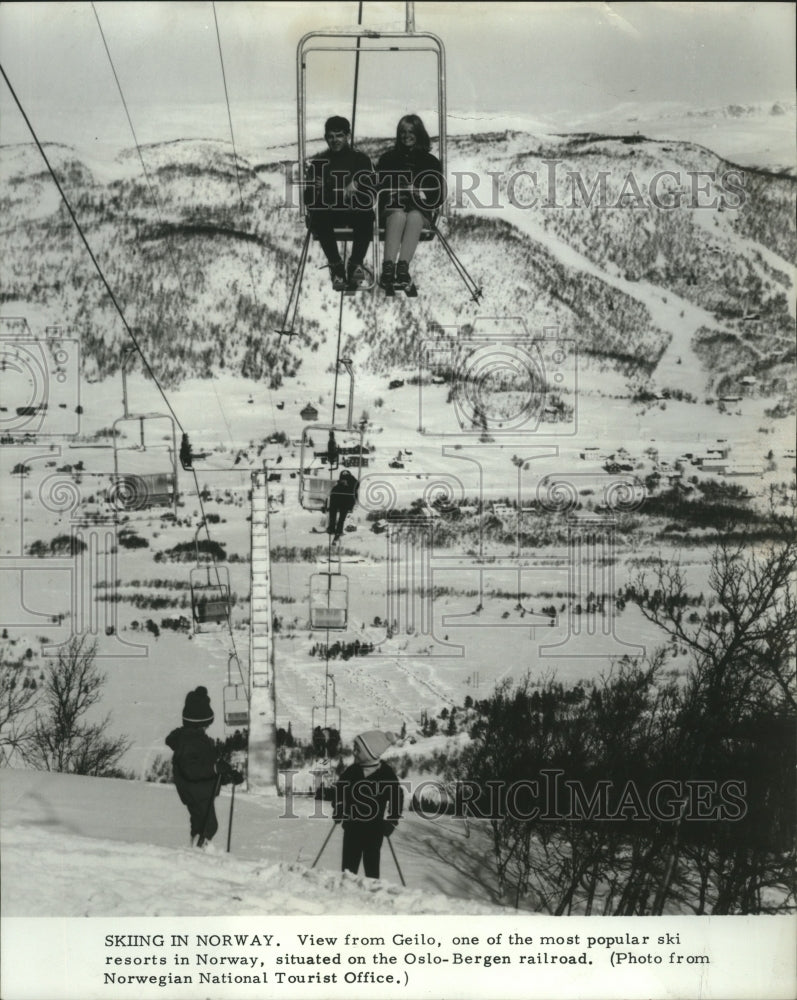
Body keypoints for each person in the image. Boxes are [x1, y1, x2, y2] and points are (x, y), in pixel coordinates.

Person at [165, 686, 243, 849]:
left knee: (202, 826)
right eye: (205, 725)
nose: (207, 728)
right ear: (198, 724)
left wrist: (228, 776)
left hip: (201, 791)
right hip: (195, 791)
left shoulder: (198, 740)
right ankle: (199, 853)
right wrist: (215, 769)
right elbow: (192, 770)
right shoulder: (189, 742)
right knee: (208, 826)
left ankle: (197, 851)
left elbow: (207, 769)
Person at [305, 115, 375, 290]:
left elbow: (369, 190)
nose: (335, 140)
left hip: (354, 210)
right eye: (331, 136)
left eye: (339, 135)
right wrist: (316, 188)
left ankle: (355, 264)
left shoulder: (360, 160)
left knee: (366, 214)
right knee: (319, 213)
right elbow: (309, 199)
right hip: (330, 212)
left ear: (348, 136)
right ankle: (336, 265)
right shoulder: (319, 163)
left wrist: (355, 183)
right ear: (326, 138)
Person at [376, 114, 444, 290]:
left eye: (411, 132)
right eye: (403, 132)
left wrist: (418, 190)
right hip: (393, 209)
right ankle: (388, 267)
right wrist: (393, 190)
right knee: (398, 215)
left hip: (419, 210)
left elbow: (437, 195)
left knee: (413, 217)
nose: (407, 136)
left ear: (419, 134)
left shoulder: (430, 162)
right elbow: (377, 186)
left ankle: (403, 267)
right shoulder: (388, 159)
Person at [333, 730, 403, 879]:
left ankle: (371, 898)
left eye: (358, 749)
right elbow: (340, 789)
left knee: (372, 872)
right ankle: (345, 897)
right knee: (348, 872)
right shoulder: (353, 771)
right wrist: (339, 807)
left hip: (374, 829)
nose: (354, 752)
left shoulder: (386, 774)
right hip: (352, 827)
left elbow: (397, 797)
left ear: (370, 752)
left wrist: (392, 820)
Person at [327, 469, 359, 542]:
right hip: (340, 501)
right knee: (335, 513)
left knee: (339, 514)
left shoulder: (352, 483)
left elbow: (356, 486)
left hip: (346, 501)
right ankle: (335, 529)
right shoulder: (341, 484)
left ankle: (335, 529)